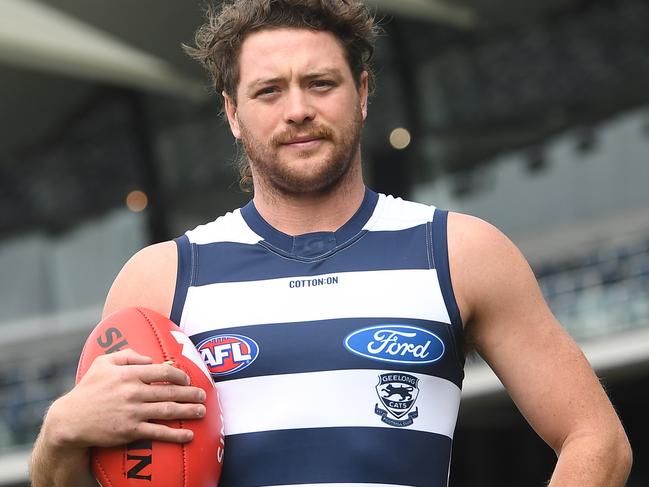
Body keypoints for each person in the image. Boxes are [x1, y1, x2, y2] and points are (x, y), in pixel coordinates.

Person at [30, 0, 632, 486]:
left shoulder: (458, 251)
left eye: (320, 83)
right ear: (233, 113)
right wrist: (60, 434)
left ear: (363, 93)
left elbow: (597, 439)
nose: (297, 110)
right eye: (268, 91)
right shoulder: (159, 280)